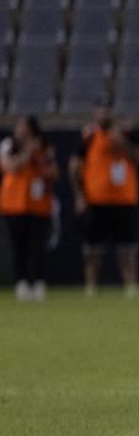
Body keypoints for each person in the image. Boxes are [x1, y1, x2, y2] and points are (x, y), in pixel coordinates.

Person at [71, 105, 139, 297]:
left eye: (106, 111)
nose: (103, 115)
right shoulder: (88, 137)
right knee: (92, 248)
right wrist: (80, 196)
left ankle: (131, 286)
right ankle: (91, 286)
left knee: (127, 247)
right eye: (99, 111)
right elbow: (74, 167)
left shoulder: (126, 134)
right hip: (96, 200)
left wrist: (120, 141)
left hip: (123, 199)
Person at [1, 114, 57, 301]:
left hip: (39, 205)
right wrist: (27, 151)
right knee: (19, 247)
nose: (20, 131)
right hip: (14, 205)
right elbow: (11, 167)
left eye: (23, 127)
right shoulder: (9, 145)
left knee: (37, 247)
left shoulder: (44, 147)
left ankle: (38, 282)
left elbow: (53, 172)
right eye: (18, 127)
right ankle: (22, 283)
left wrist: (40, 159)